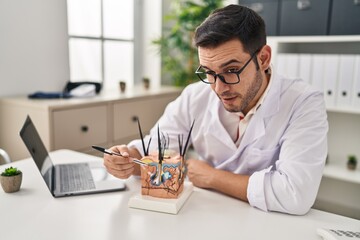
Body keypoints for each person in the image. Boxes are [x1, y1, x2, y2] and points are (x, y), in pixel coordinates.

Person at [103, 4, 328, 215]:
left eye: (231, 70)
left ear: (263, 58)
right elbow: (156, 150)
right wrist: (127, 159)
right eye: (209, 72)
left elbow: (296, 193)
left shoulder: (303, 102)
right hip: (208, 214)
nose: (219, 88)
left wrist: (213, 178)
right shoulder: (195, 96)